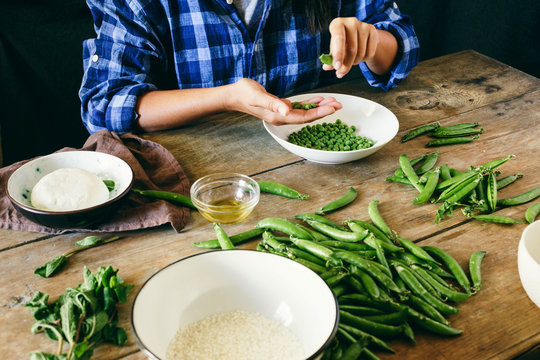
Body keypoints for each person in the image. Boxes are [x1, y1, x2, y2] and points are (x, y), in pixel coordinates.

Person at [80, 0, 419, 135]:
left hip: (322, 157)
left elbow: (402, 43)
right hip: (204, 184)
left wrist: (372, 43)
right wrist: (227, 98)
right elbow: (105, 104)